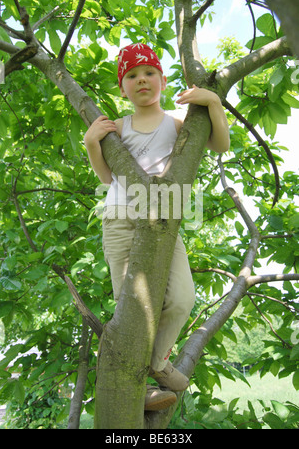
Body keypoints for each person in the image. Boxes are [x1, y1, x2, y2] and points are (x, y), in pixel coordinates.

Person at [84, 43, 230, 411]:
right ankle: (145, 386)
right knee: (130, 308)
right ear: (122, 88)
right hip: (120, 220)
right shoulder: (116, 127)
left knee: (181, 299)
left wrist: (212, 102)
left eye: (148, 72)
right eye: (131, 75)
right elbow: (107, 177)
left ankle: (156, 363)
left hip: (164, 222)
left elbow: (220, 144)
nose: (141, 80)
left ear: (163, 81)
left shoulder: (178, 125)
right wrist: (92, 144)